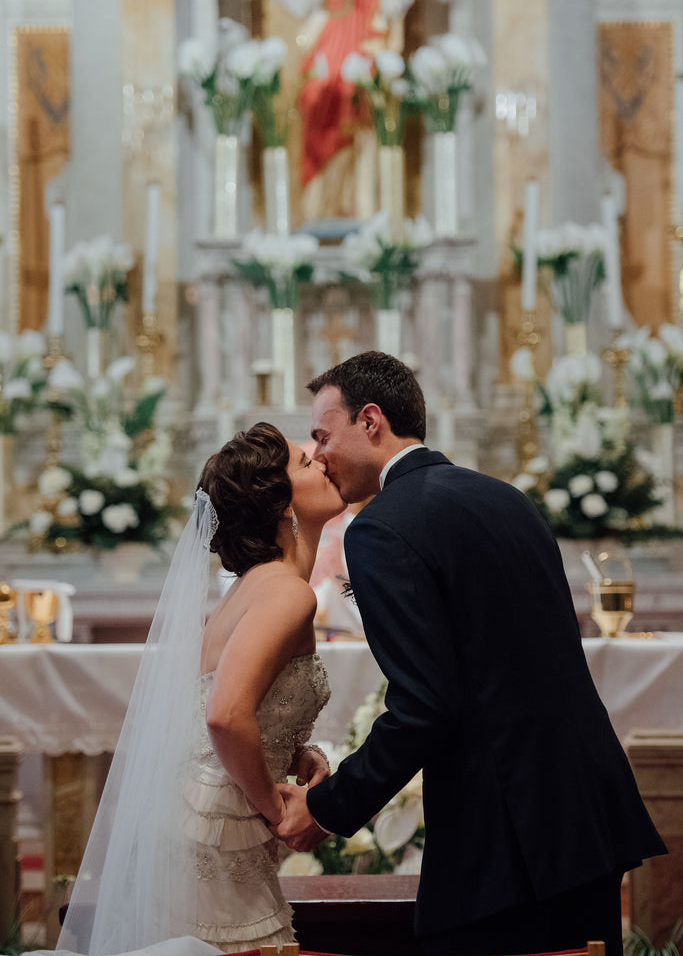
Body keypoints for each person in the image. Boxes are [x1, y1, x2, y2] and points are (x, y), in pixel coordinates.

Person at [270, 351, 667, 956]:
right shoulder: (504, 498)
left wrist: (327, 807)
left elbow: (426, 706)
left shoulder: (380, 528)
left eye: (324, 435)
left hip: (506, 838)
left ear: (370, 421)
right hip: (585, 813)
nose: (318, 454)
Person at [55, 422, 345, 956]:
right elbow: (223, 716)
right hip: (214, 830)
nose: (324, 463)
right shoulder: (285, 593)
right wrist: (278, 812)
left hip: (201, 815)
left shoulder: (258, 586)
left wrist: (287, 747)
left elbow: (230, 709)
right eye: (306, 464)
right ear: (281, 505)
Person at [264, 0, 421, 219]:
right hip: (322, 84)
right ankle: (318, 211)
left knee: (358, 144)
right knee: (319, 143)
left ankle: (359, 209)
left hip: (356, 83)